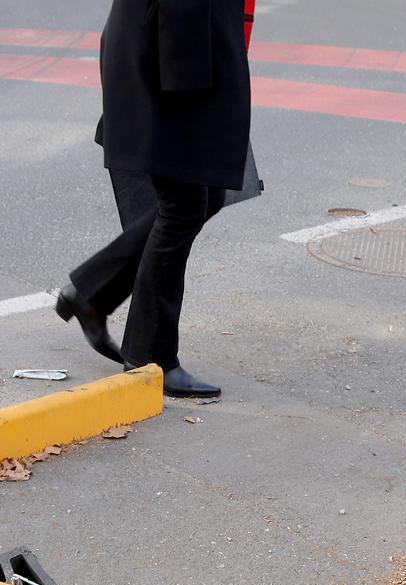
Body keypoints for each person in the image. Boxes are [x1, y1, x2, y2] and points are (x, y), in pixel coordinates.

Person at [55, 0, 254, 399]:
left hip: (175, 48)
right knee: (184, 203)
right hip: (174, 55)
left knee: (206, 193)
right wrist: (188, 87)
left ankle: (92, 291)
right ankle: (151, 354)